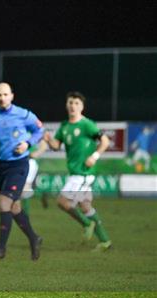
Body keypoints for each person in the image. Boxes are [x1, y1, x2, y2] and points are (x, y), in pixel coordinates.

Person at [0, 82, 44, 261]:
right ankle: (34, 238)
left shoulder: (23, 114)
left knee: (4, 203)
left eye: (5, 94)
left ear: (12, 96)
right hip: (1, 165)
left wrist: (28, 144)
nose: (2, 98)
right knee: (14, 208)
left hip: (19, 165)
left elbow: (39, 130)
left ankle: (1, 248)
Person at [44, 91, 112, 251]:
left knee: (62, 201)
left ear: (82, 107)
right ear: (66, 105)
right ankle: (105, 241)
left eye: (76, 103)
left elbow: (105, 140)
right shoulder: (65, 126)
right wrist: (48, 140)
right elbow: (56, 146)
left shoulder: (87, 124)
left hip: (83, 173)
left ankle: (88, 224)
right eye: (70, 103)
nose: (73, 106)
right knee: (85, 206)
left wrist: (94, 156)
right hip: (76, 173)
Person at [21, 139, 49, 214]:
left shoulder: (33, 131)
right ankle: (41, 193)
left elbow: (44, 145)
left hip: (30, 162)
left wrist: (35, 154)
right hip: (20, 163)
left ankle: (25, 215)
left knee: (25, 189)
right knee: (22, 189)